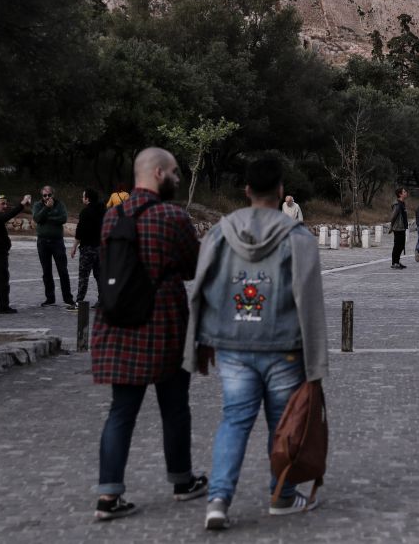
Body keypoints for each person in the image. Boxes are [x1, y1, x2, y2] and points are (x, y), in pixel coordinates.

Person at [183, 156, 328, 530]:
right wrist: (316, 367)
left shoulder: (219, 232)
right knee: (282, 424)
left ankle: (218, 500)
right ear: (281, 192)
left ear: (246, 191)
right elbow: (309, 303)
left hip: (233, 346)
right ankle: (281, 494)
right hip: (285, 347)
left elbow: (203, 290)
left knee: (233, 421)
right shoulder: (298, 238)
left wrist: (201, 342)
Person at [91, 147, 206, 521]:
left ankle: (108, 495)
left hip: (117, 322)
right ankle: (182, 480)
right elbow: (192, 268)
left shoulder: (113, 216)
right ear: (158, 173)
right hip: (163, 326)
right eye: (174, 172)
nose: (177, 178)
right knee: (174, 408)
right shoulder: (173, 216)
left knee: (120, 411)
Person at [32, 185, 75, 307]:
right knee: (46, 271)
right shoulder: (38, 205)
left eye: (49, 195)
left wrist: (47, 218)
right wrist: (46, 208)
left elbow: (63, 218)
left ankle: (68, 298)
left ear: (53, 195)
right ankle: (50, 298)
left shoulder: (60, 204)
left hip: (57, 241)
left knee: (63, 270)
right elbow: (37, 218)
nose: (46, 197)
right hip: (43, 242)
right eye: (44, 195)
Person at [67, 188, 106, 311]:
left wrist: (74, 246)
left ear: (87, 198)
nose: (82, 198)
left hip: (88, 248)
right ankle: (102, 300)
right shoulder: (103, 210)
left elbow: (80, 231)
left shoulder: (85, 212)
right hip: (101, 247)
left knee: (84, 276)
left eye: (83, 196)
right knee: (100, 275)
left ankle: (79, 301)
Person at [389, 187, 409, 269]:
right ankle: (394, 263)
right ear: (400, 194)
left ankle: (397, 261)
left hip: (402, 227)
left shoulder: (402, 203)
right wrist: (392, 226)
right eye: (404, 192)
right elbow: (393, 216)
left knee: (401, 245)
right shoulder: (397, 204)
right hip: (398, 228)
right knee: (397, 246)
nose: (406, 193)